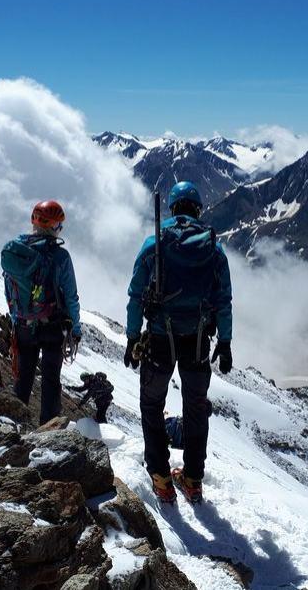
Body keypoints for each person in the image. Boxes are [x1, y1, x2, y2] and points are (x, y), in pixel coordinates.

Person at [124, 181, 233, 504]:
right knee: (196, 408)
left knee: (152, 404)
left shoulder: (154, 243)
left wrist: (132, 338)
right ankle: (193, 479)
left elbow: (135, 295)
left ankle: (160, 478)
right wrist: (225, 342)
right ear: (198, 209)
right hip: (198, 339)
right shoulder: (213, 247)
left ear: (172, 208)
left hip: (159, 337)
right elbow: (224, 299)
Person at [1, 200, 82, 425]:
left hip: (23, 324)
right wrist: (76, 329)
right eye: (60, 225)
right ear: (55, 226)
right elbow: (71, 297)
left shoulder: (14, 251)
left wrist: (17, 319)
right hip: (52, 327)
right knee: (50, 381)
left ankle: (13, 427)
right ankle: (48, 432)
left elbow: (9, 289)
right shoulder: (60, 257)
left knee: (23, 377)